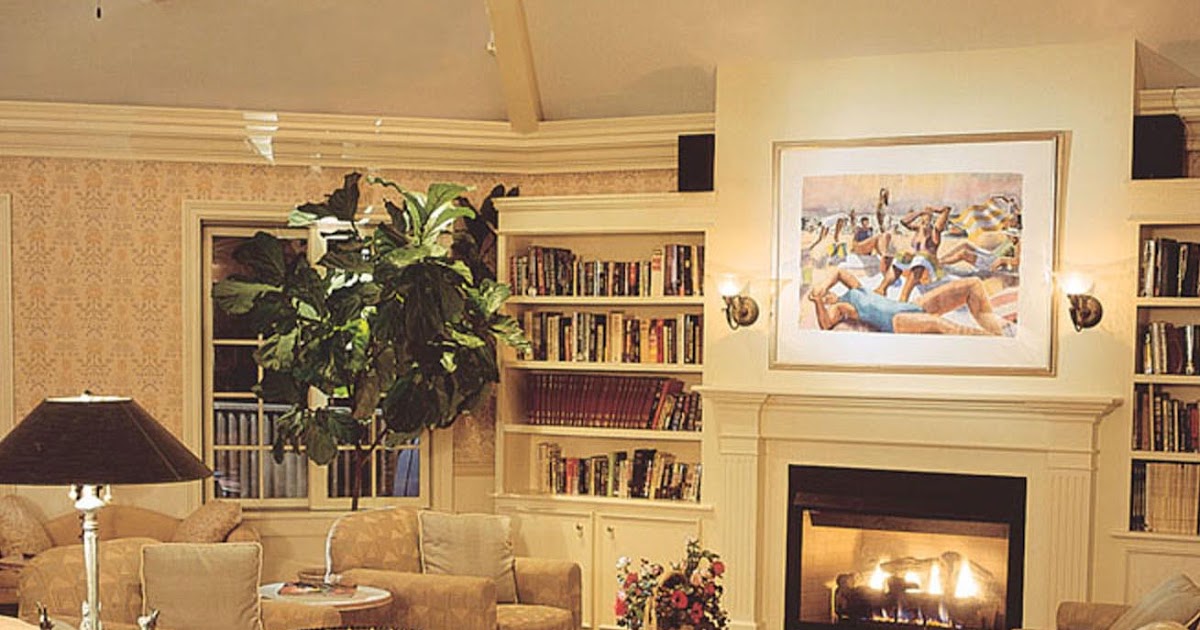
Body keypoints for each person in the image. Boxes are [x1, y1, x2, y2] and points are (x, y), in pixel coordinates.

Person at [808, 267, 1007, 335]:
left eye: (826, 293)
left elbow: (839, 272)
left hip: (910, 306)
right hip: (896, 320)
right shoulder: (842, 307)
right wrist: (817, 302)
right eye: (825, 299)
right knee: (944, 326)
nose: (827, 296)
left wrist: (823, 285)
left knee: (972, 285)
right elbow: (826, 324)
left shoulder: (856, 289)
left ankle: (996, 328)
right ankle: (994, 342)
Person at [876, 205, 952, 302]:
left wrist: (935, 210)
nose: (925, 221)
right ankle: (882, 289)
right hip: (917, 263)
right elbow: (903, 221)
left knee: (920, 260)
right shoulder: (918, 229)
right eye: (923, 217)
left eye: (928, 217)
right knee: (901, 256)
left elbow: (946, 210)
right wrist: (920, 212)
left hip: (931, 266)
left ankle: (904, 297)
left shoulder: (935, 230)